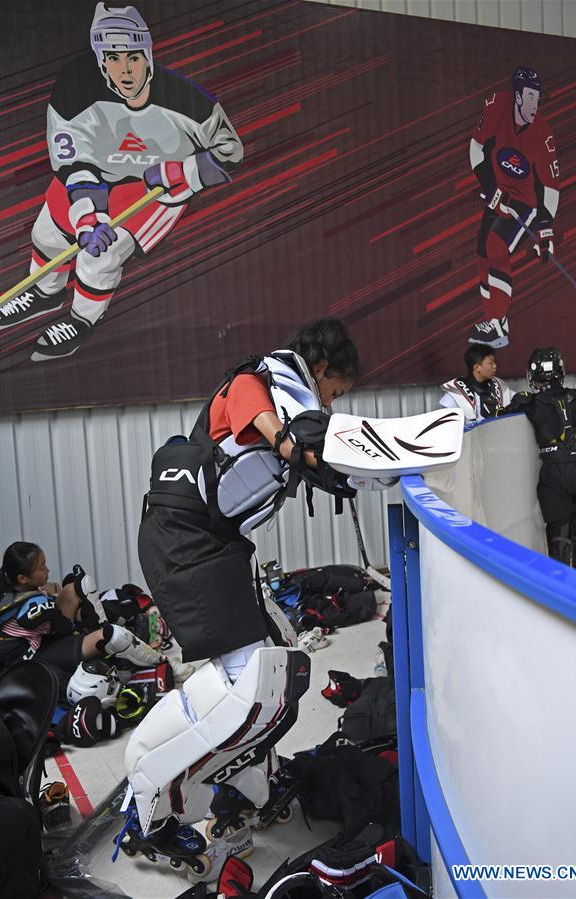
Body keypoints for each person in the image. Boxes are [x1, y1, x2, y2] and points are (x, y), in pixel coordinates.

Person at [125, 318, 398, 853]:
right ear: (322, 370)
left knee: (283, 668)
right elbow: (249, 399)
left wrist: (378, 467)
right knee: (249, 678)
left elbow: (319, 456)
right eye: (337, 390)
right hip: (186, 544)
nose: (335, 401)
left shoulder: (292, 404)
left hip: (214, 545)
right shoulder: (266, 378)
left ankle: (245, 784)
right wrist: (284, 439)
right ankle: (148, 789)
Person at [0, 3, 243, 361]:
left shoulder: (190, 103)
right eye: (112, 57)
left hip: (153, 191)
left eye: (133, 57)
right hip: (93, 178)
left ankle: (81, 318)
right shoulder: (74, 90)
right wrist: (88, 217)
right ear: (100, 59)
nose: (125, 70)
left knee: (100, 257)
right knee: (48, 232)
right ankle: (45, 293)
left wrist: (184, 172)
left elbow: (230, 151)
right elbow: (71, 160)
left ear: (148, 54)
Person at [0, 541, 166, 692]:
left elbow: (57, 618)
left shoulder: (17, 589)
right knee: (110, 636)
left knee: (73, 589)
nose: (47, 570)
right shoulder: (22, 607)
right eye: (41, 567)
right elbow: (59, 626)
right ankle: (160, 662)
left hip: (45, 639)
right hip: (33, 661)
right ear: (23, 578)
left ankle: (108, 637)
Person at [468, 67, 560, 349]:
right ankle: (496, 323)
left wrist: (545, 229)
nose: (535, 105)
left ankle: (497, 321)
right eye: (530, 97)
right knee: (483, 252)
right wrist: (491, 189)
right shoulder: (497, 106)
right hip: (498, 191)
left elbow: (551, 188)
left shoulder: (543, 135)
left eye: (538, 98)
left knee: (496, 245)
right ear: (518, 96)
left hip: (524, 203)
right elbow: (476, 148)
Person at [499, 348, 576, 573]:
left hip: (556, 472)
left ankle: (560, 585)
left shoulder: (529, 401)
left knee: (559, 531)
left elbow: (500, 419)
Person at [440, 343, 512, 422]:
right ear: (477, 367)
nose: (495, 366)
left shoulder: (499, 386)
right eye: (490, 363)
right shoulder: (456, 394)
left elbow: (515, 399)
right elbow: (445, 423)